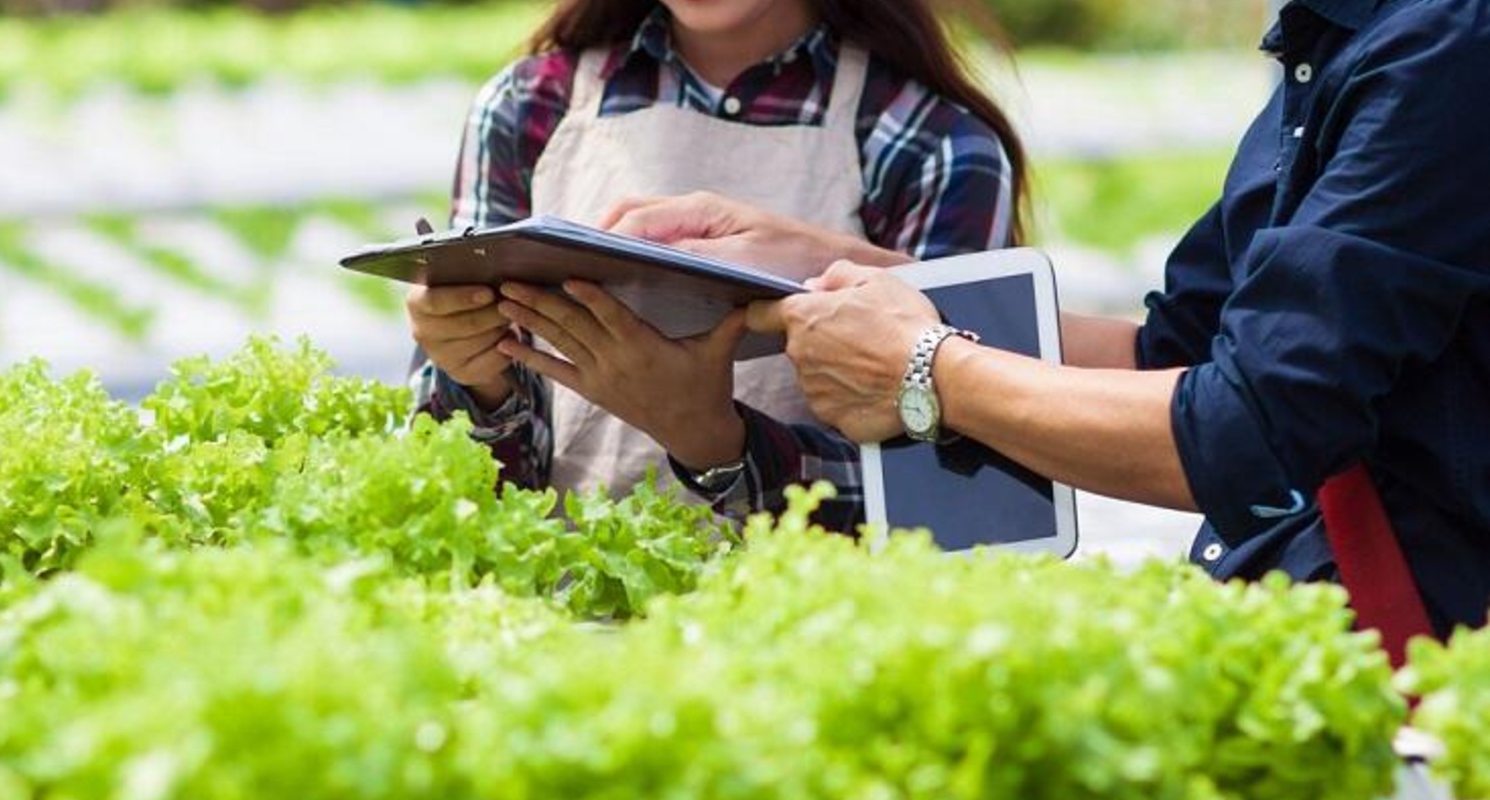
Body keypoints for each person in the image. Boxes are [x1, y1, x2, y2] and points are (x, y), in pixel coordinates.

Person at [591, 0, 1490, 636]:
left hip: (1426, 636)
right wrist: (827, 263)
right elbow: (1169, 351)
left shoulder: (1443, 47)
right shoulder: (1334, 40)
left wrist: (926, 372)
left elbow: (1248, 428)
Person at [405, 0, 1026, 522]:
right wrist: (477, 376)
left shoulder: (932, 144)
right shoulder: (527, 107)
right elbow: (460, 499)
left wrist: (714, 440)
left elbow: (955, 493)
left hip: (808, 635)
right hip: (565, 635)